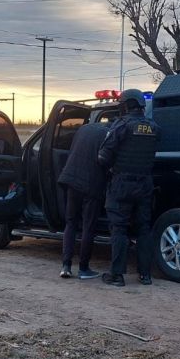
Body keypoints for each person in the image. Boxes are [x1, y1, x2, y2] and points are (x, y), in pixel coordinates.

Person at [98, 89, 160, 286]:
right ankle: (145, 275)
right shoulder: (154, 127)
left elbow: (103, 157)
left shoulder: (122, 126)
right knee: (143, 229)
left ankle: (117, 275)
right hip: (144, 185)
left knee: (119, 229)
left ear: (125, 105)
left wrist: (109, 169)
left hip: (122, 184)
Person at [57, 120, 110, 280]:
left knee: (71, 222)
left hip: (71, 181)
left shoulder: (83, 129)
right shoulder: (108, 134)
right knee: (88, 226)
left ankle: (65, 266)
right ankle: (83, 268)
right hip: (92, 185)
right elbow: (106, 160)